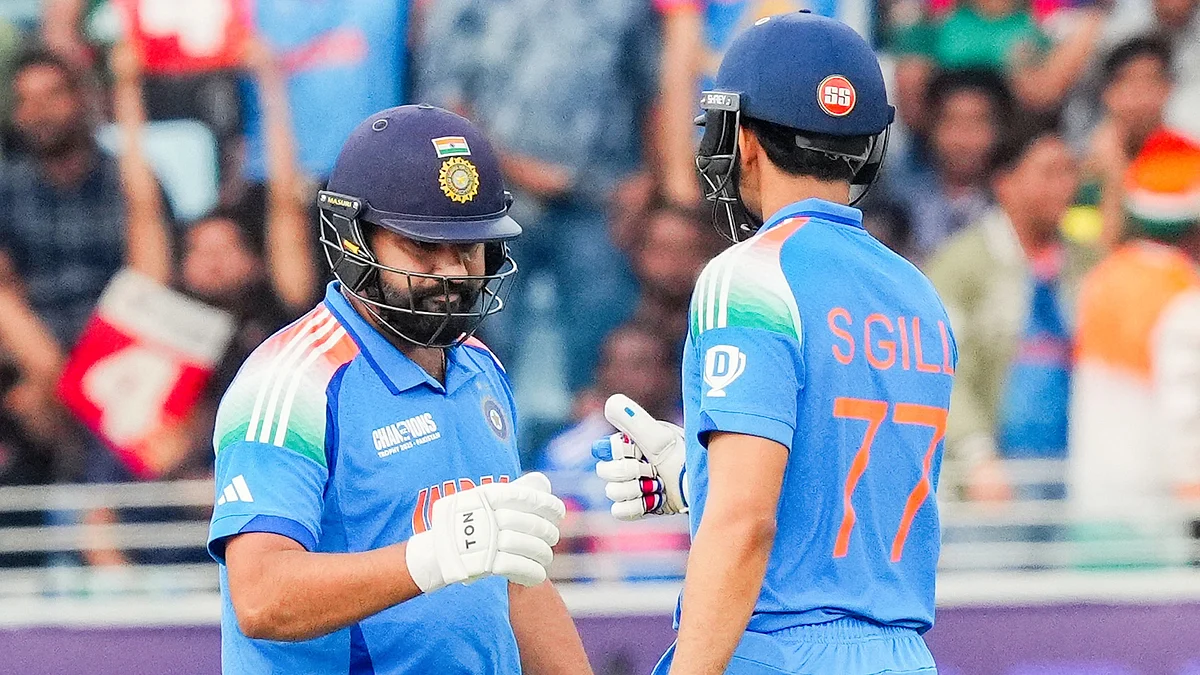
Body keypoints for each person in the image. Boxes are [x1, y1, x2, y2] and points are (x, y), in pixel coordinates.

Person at [594, 12, 955, 674]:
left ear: (746, 139)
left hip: (781, 649)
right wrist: (698, 475)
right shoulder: (917, 292)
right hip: (904, 655)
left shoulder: (749, 274)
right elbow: (842, 474)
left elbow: (744, 524)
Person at [207, 105, 591, 674]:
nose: (453, 273)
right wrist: (434, 555)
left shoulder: (480, 366)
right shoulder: (291, 382)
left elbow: (516, 583)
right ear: (352, 239)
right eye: (422, 246)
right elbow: (261, 598)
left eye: (468, 246)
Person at [926, 128, 1098, 503]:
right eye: (1048, 173)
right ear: (1006, 182)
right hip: (989, 483)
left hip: (1076, 477)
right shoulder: (961, 265)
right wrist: (976, 456)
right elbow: (939, 370)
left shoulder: (1088, 263)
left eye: (1069, 172)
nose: (1064, 186)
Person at [1068, 129, 1200, 566]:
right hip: (1159, 529)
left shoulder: (1101, 281)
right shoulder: (1185, 296)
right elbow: (1185, 420)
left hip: (1090, 515)